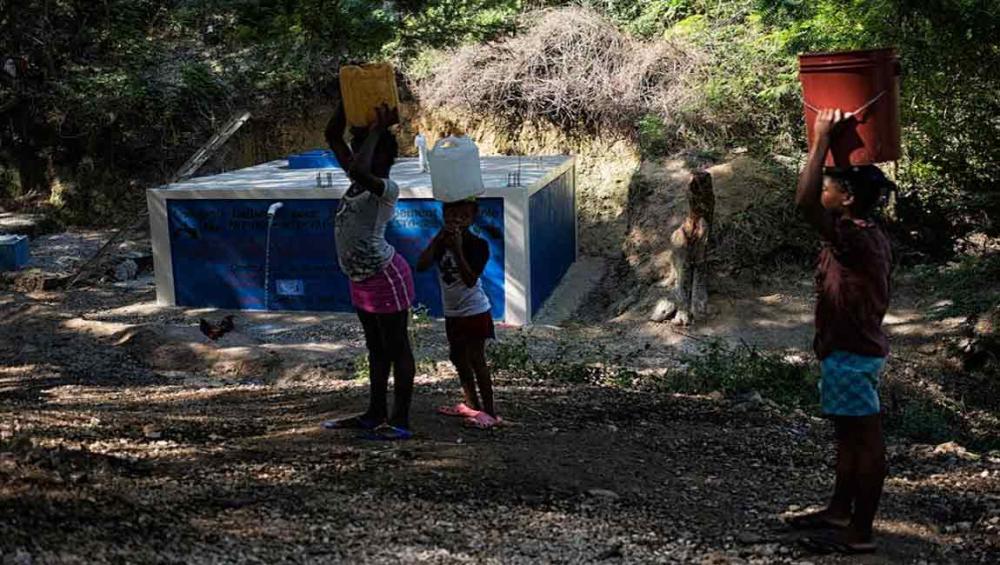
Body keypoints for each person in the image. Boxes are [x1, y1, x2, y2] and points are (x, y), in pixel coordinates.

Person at [790, 109, 894, 555]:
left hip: (852, 354)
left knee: (865, 441)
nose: (823, 190)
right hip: (849, 352)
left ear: (847, 197)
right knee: (849, 436)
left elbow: (803, 204)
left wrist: (819, 140)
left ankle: (860, 534)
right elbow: (815, 203)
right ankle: (839, 510)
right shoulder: (861, 232)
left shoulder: (852, 237)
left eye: (830, 185)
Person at [321, 101, 416, 441]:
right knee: (376, 348)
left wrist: (377, 130)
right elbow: (333, 136)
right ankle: (374, 413)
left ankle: (400, 420)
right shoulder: (358, 181)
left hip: (385, 276)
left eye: (361, 151)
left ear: (380, 157)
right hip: (361, 278)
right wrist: (346, 100)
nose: (354, 158)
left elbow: (361, 169)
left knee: (397, 347)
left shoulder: (385, 189)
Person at [416, 198, 500, 429]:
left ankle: (490, 412)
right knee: (458, 358)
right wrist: (439, 239)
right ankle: (473, 406)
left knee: (477, 360)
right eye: (452, 215)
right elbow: (421, 265)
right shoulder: (442, 242)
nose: (457, 220)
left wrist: (458, 249)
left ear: (472, 219)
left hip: (474, 310)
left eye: (464, 216)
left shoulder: (478, 245)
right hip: (452, 312)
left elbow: (470, 280)